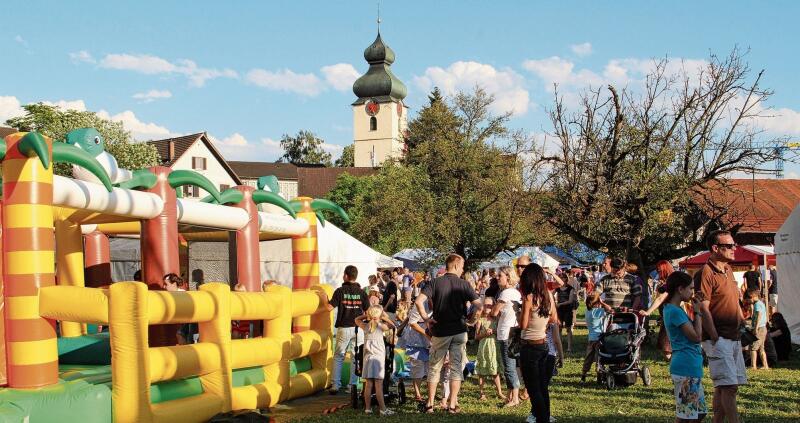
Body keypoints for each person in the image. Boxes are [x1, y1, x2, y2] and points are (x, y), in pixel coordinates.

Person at [414, 253, 482, 414]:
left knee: (435, 368)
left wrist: (425, 318)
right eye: (463, 266)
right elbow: (479, 306)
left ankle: (430, 404)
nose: (463, 269)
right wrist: (471, 321)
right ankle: (452, 405)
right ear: (457, 265)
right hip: (459, 330)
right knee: (456, 368)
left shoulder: (435, 282)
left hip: (440, 331)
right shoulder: (464, 284)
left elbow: (418, 301)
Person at [694, 230, 746, 423]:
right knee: (729, 387)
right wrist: (714, 336)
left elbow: (733, 300)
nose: (735, 249)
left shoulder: (728, 269)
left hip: (733, 336)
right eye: (729, 246)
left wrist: (742, 321)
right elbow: (703, 307)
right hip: (719, 338)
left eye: (734, 245)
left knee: (724, 386)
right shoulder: (705, 273)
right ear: (715, 248)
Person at [663, 271, 708, 423]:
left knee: (698, 413)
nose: (692, 292)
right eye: (690, 288)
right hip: (686, 367)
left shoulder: (675, 309)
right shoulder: (674, 311)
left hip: (689, 365)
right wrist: (697, 313)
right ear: (680, 289)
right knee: (686, 414)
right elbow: (696, 337)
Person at [518, 263, 556, 423]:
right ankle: (545, 417)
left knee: (533, 389)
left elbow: (523, 325)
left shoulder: (529, 298)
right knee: (542, 386)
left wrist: (519, 312)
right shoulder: (548, 295)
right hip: (543, 345)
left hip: (529, 346)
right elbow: (554, 319)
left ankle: (542, 418)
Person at [325, 265, 369, 395]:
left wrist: (324, 298)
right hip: (359, 328)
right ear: (355, 276)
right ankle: (352, 386)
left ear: (345, 276)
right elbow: (368, 311)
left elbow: (328, 307)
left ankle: (335, 385)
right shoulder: (362, 292)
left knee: (339, 356)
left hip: (344, 327)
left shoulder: (340, 291)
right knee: (357, 357)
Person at [354, 305, 395, 416]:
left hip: (367, 359)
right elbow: (392, 325)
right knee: (378, 386)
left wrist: (366, 316)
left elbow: (356, 319)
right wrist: (383, 317)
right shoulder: (381, 326)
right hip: (378, 359)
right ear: (379, 316)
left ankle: (367, 409)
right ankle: (382, 409)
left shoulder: (365, 326)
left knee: (368, 385)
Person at [491, 265, 522, 408]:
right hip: (513, 331)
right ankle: (510, 396)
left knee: (509, 366)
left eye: (500, 276)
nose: (497, 278)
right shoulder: (515, 292)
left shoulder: (505, 294)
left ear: (508, 277)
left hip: (505, 333)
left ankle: (515, 398)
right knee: (511, 365)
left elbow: (494, 313)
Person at [639, 260, 675, 360]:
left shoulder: (669, 283)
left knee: (666, 346)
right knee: (669, 345)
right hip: (668, 315)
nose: (658, 273)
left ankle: (677, 366)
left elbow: (660, 299)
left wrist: (648, 312)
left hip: (671, 316)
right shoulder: (671, 281)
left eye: (659, 271)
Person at [398, 295, 432, 401]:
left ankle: (430, 393)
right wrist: (427, 335)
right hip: (417, 339)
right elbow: (412, 323)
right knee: (418, 368)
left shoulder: (439, 304)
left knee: (430, 368)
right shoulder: (421, 303)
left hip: (431, 339)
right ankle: (418, 394)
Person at [475, 297, 504, 401]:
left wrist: (495, 331)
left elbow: (501, 332)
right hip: (484, 347)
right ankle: (482, 393)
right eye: (485, 305)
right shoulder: (480, 320)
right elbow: (476, 337)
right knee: (482, 372)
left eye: (490, 305)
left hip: (494, 347)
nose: (487, 307)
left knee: (495, 370)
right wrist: (484, 334)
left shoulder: (497, 319)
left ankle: (499, 392)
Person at [581, 292, 611, 382]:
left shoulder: (587, 312)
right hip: (599, 338)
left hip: (591, 338)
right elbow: (610, 309)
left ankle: (583, 374)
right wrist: (602, 303)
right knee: (599, 358)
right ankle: (599, 375)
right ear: (597, 303)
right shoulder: (598, 312)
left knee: (589, 357)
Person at [746, 290, 769, 370]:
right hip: (763, 328)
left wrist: (755, 328)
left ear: (753, 297)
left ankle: (753, 366)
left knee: (753, 347)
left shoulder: (757, 305)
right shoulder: (761, 303)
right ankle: (765, 365)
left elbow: (759, 315)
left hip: (759, 328)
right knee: (761, 348)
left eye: (749, 299)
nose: (748, 301)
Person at [555, 281, 577, 353]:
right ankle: (559, 346)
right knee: (559, 329)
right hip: (559, 311)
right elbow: (550, 294)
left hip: (568, 310)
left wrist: (560, 304)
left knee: (568, 329)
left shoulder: (570, 289)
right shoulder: (557, 289)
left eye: (563, 278)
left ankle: (569, 348)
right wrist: (554, 301)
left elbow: (570, 301)